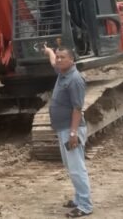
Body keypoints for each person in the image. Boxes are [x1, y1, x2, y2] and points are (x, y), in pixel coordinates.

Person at [41, 44, 93, 217]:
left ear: (72, 60)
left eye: (63, 57)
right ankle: (78, 199)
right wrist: (49, 51)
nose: (59, 60)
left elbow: (77, 108)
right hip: (63, 128)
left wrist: (73, 133)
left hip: (71, 130)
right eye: (58, 57)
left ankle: (85, 205)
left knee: (77, 168)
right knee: (71, 166)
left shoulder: (75, 79)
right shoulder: (62, 73)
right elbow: (53, 62)